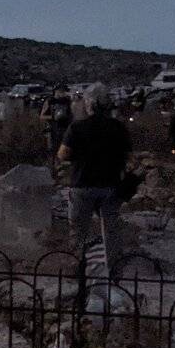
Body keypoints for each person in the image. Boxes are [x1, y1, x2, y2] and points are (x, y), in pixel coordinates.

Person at [57, 83, 132, 281]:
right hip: (111, 185)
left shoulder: (78, 127)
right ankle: (113, 269)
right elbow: (127, 155)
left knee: (79, 230)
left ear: (89, 104)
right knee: (111, 230)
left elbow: (63, 155)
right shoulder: (118, 127)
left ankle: (81, 267)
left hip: (83, 184)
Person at [45, 87, 74, 164]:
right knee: (53, 147)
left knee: (64, 146)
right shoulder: (50, 101)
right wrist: (52, 117)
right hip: (53, 128)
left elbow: (71, 114)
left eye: (63, 91)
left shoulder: (67, 101)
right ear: (55, 91)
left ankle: (62, 163)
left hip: (65, 127)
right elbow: (42, 115)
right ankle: (53, 163)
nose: (61, 93)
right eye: (60, 91)